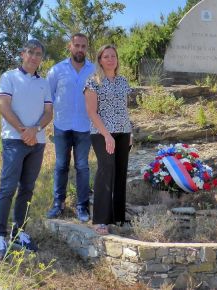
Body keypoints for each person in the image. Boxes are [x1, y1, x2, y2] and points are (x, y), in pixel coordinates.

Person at [0, 39, 53, 260]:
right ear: (22, 54)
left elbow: (48, 112)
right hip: (13, 140)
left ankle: (18, 233)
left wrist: (34, 130)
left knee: (27, 188)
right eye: (31, 52)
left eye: (39, 54)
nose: (34, 57)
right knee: (7, 188)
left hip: (36, 143)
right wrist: (22, 130)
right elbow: (4, 106)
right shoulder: (8, 77)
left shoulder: (44, 83)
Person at [46, 33, 96, 222]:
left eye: (83, 46)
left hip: (85, 127)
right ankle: (58, 204)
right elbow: (48, 98)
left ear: (86, 48)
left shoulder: (94, 71)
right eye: (77, 45)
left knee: (82, 166)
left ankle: (82, 206)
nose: (80, 49)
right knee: (61, 166)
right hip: (62, 126)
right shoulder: (56, 70)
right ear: (70, 46)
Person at [83, 44, 132, 235]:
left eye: (113, 56)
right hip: (102, 133)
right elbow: (91, 112)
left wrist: (131, 132)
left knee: (120, 173)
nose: (111, 59)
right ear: (100, 60)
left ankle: (119, 217)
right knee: (106, 171)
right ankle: (101, 220)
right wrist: (106, 135)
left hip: (123, 132)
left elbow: (125, 109)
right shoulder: (93, 81)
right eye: (106, 56)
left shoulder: (123, 81)